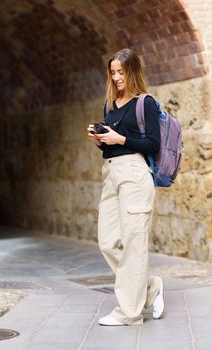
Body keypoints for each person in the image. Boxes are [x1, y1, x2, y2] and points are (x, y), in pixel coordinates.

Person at [87, 48, 164, 326]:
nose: (117, 77)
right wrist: (101, 141)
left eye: (121, 72)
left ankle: (130, 313)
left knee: (133, 243)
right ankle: (150, 287)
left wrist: (120, 139)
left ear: (132, 71)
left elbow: (153, 145)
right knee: (107, 241)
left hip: (135, 173)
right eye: (113, 72)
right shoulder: (110, 106)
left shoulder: (146, 103)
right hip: (112, 174)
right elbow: (111, 148)